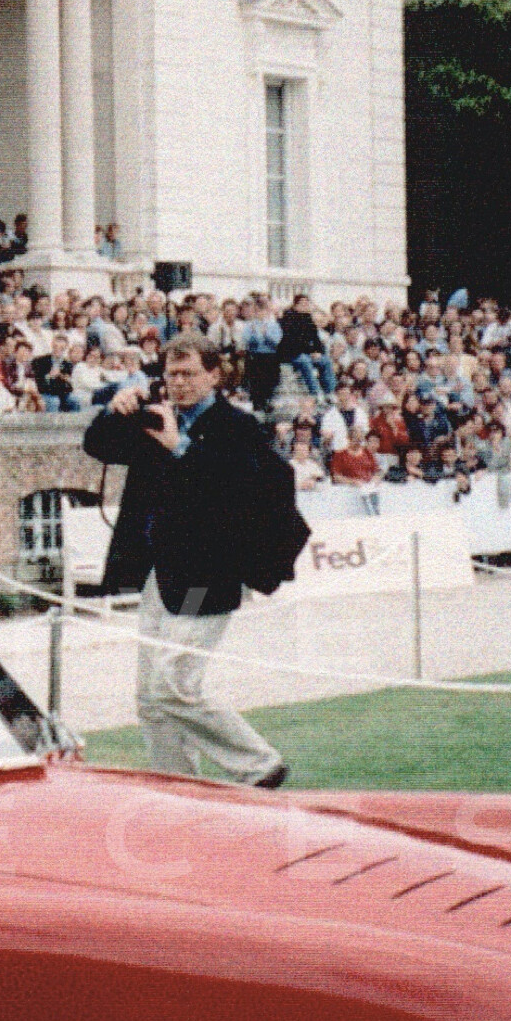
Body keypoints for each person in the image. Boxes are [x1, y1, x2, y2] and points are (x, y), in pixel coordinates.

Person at [82, 332, 298, 787]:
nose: (178, 383)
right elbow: (98, 446)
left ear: (214, 375)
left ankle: (258, 764)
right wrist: (114, 410)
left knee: (174, 686)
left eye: (189, 374)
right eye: (171, 374)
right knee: (149, 698)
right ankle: (176, 785)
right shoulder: (154, 416)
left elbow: (241, 489)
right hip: (156, 572)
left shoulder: (238, 426)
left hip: (207, 574)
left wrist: (179, 447)